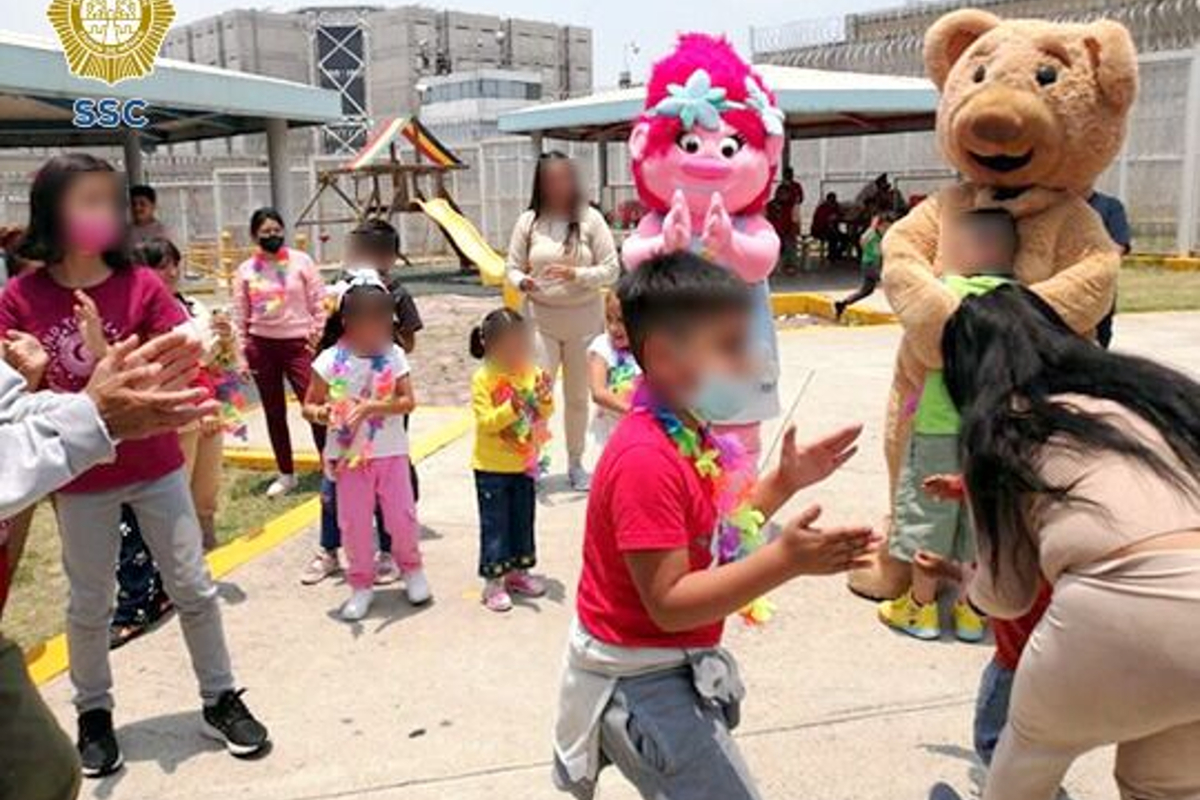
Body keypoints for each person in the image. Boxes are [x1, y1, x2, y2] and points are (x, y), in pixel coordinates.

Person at [553, 252, 876, 800]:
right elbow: (670, 600)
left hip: (665, 662)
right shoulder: (645, 459)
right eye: (730, 346)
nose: (752, 361)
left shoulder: (686, 428)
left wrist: (785, 480)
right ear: (663, 356)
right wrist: (785, 561)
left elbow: (717, 529)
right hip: (643, 680)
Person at [0, 153, 269, 777]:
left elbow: (180, 360)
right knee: (91, 601)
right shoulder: (19, 297)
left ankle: (220, 697)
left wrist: (108, 356)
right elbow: (16, 405)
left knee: (192, 584)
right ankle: (93, 713)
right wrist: (49, 377)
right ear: (52, 214)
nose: (102, 215)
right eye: (86, 202)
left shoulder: (141, 285)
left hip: (154, 464)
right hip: (80, 480)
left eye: (108, 202)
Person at [936, 285, 1200, 800]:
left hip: (1113, 612)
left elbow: (1005, 595)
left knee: (1028, 761)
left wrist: (971, 582)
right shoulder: (1143, 397)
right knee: (1167, 788)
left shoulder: (1001, 428)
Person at [0, 327, 213, 800]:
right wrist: (93, 415)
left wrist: (112, 404)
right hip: (85, 492)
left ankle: (220, 698)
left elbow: (10, 412)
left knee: (44, 771)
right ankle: (93, 714)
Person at [877, 209, 1016, 642]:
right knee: (980, 520)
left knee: (928, 514)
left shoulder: (947, 292)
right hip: (993, 428)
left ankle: (919, 608)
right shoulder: (1021, 302)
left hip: (940, 424)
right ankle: (972, 610)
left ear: (975, 250)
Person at [301, 218, 423, 586]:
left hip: (385, 415)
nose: (353, 254)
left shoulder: (397, 295)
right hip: (342, 422)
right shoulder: (340, 292)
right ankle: (330, 548)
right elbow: (321, 348)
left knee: (395, 487)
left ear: (385, 255)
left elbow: (410, 349)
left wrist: (388, 339)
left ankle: (390, 550)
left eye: (360, 248)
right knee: (333, 485)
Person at [506, 151, 620, 491]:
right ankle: (534, 460)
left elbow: (611, 268)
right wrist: (522, 281)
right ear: (540, 183)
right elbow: (510, 266)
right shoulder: (528, 221)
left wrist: (576, 274)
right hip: (540, 320)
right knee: (536, 394)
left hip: (584, 321)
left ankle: (575, 462)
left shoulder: (590, 219)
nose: (558, 185)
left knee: (577, 397)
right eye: (550, 179)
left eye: (563, 178)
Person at [233, 206, 327, 498]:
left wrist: (316, 332)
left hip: (299, 345)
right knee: (274, 412)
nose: (272, 236)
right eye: (265, 233)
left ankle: (330, 468)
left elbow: (319, 300)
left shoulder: (302, 262)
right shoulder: (246, 270)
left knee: (314, 406)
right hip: (262, 346)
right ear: (254, 236)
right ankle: (286, 474)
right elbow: (239, 314)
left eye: (276, 231)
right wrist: (240, 354)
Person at [469, 308, 554, 613]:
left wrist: (543, 397)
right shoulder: (483, 379)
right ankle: (494, 581)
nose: (517, 352)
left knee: (522, 519)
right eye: (509, 347)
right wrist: (511, 407)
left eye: (522, 345)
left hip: (524, 464)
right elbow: (487, 422)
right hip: (491, 467)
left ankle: (518, 571)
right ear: (490, 347)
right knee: (495, 525)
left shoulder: (529, 372)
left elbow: (544, 414)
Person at [587, 292, 641, 449]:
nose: (613, 328)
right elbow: (598, 393)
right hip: (612, 432)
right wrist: (634, 411)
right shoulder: (602, 346)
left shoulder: (646, 345)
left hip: (645, 429)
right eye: (609, 319)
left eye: (621, 321)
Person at [1088, 190, 1132, 349]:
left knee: (1099, 342)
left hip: (1099, 290)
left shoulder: (1109, 206)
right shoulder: (1051, 204)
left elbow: (1118, 248)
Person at [834, 212, 896, 319]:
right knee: (890, 283)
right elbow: (863, 241)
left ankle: (843, 304)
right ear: (880, 226)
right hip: (870, 265)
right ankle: (902, 310)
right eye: (885, 227)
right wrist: (872, 227)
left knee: (866, 291)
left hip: (871, 265)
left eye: (889, 227)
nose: (886, 230)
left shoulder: (881, 236)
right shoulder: (872, 234)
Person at [771, 168, 803, 272]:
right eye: (787, 174)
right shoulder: (781, 187)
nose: (789, 176)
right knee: (781, 242)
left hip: (792, 217)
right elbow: (776, 200)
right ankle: (781, 264)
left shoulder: (796, 186)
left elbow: (800, 199)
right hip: (781, 220)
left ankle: (791, 264)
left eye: (790, 174)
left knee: (791, 241)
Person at [811, 192, 849, 260]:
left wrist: (839, 214)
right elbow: (819, 222)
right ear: (828, 200)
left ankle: (837, 253)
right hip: (820, 230)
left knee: (846, 238)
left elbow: (840, 214)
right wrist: (829, 220)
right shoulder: (822, 208)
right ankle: (832, 256)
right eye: (831, 201)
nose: (833, 203)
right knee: (833, 237)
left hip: (832, 229)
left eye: (834, 200)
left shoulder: (835, 206)